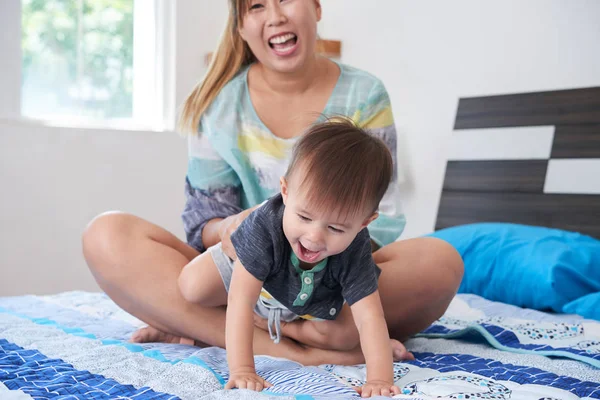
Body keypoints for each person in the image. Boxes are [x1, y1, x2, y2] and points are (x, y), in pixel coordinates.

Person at [82, 0, 463, 372]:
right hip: (241, 272)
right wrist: (233, 229)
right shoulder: (218, 103)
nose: (276, 16)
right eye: (257, 6)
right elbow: (203, 225)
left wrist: (321, 255)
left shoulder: (364, 94)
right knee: (107, 235)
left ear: (316, 7)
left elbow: (376, 222)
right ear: (241, 27)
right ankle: (307, 351)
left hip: (332, 279)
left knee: (441, 263)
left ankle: (202, 327)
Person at [180, 120, 404, 396]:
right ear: (285, 191)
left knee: (347, 334)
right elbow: (240, 299)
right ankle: (198, 323)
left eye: (335, 228)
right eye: (304, 217)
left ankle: (271, 326)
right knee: (192, 286)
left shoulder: (355, 247)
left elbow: (370, 317)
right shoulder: (264, 226)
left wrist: (380, 379)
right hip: (246, 276)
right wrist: (243, 370)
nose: (313, 237)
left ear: (364, 223)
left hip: (295, 301)